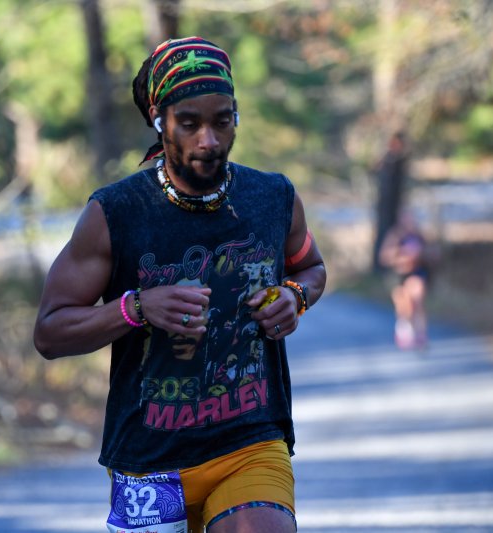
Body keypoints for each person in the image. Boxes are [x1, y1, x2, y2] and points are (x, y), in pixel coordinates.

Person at [34, 36, 326, 533]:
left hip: (249, 441)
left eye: (222, 120)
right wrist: (136, 309)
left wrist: (294, 297)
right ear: (159, 121)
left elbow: (311, 268)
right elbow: (50, 332)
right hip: (149, 458)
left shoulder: (273, 198)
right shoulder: (116, 213)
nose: (208, 140)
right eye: (189, 123)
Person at [379, 209, 432, 350]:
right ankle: (404, 329)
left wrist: (419, 255)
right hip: (398, 274)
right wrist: (400, 255)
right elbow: (384, 257)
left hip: (416, 272)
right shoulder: (394, 235)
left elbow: (432, 254)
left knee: (418, 298)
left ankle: (421, 333)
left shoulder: (418, 236)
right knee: (404, 305)